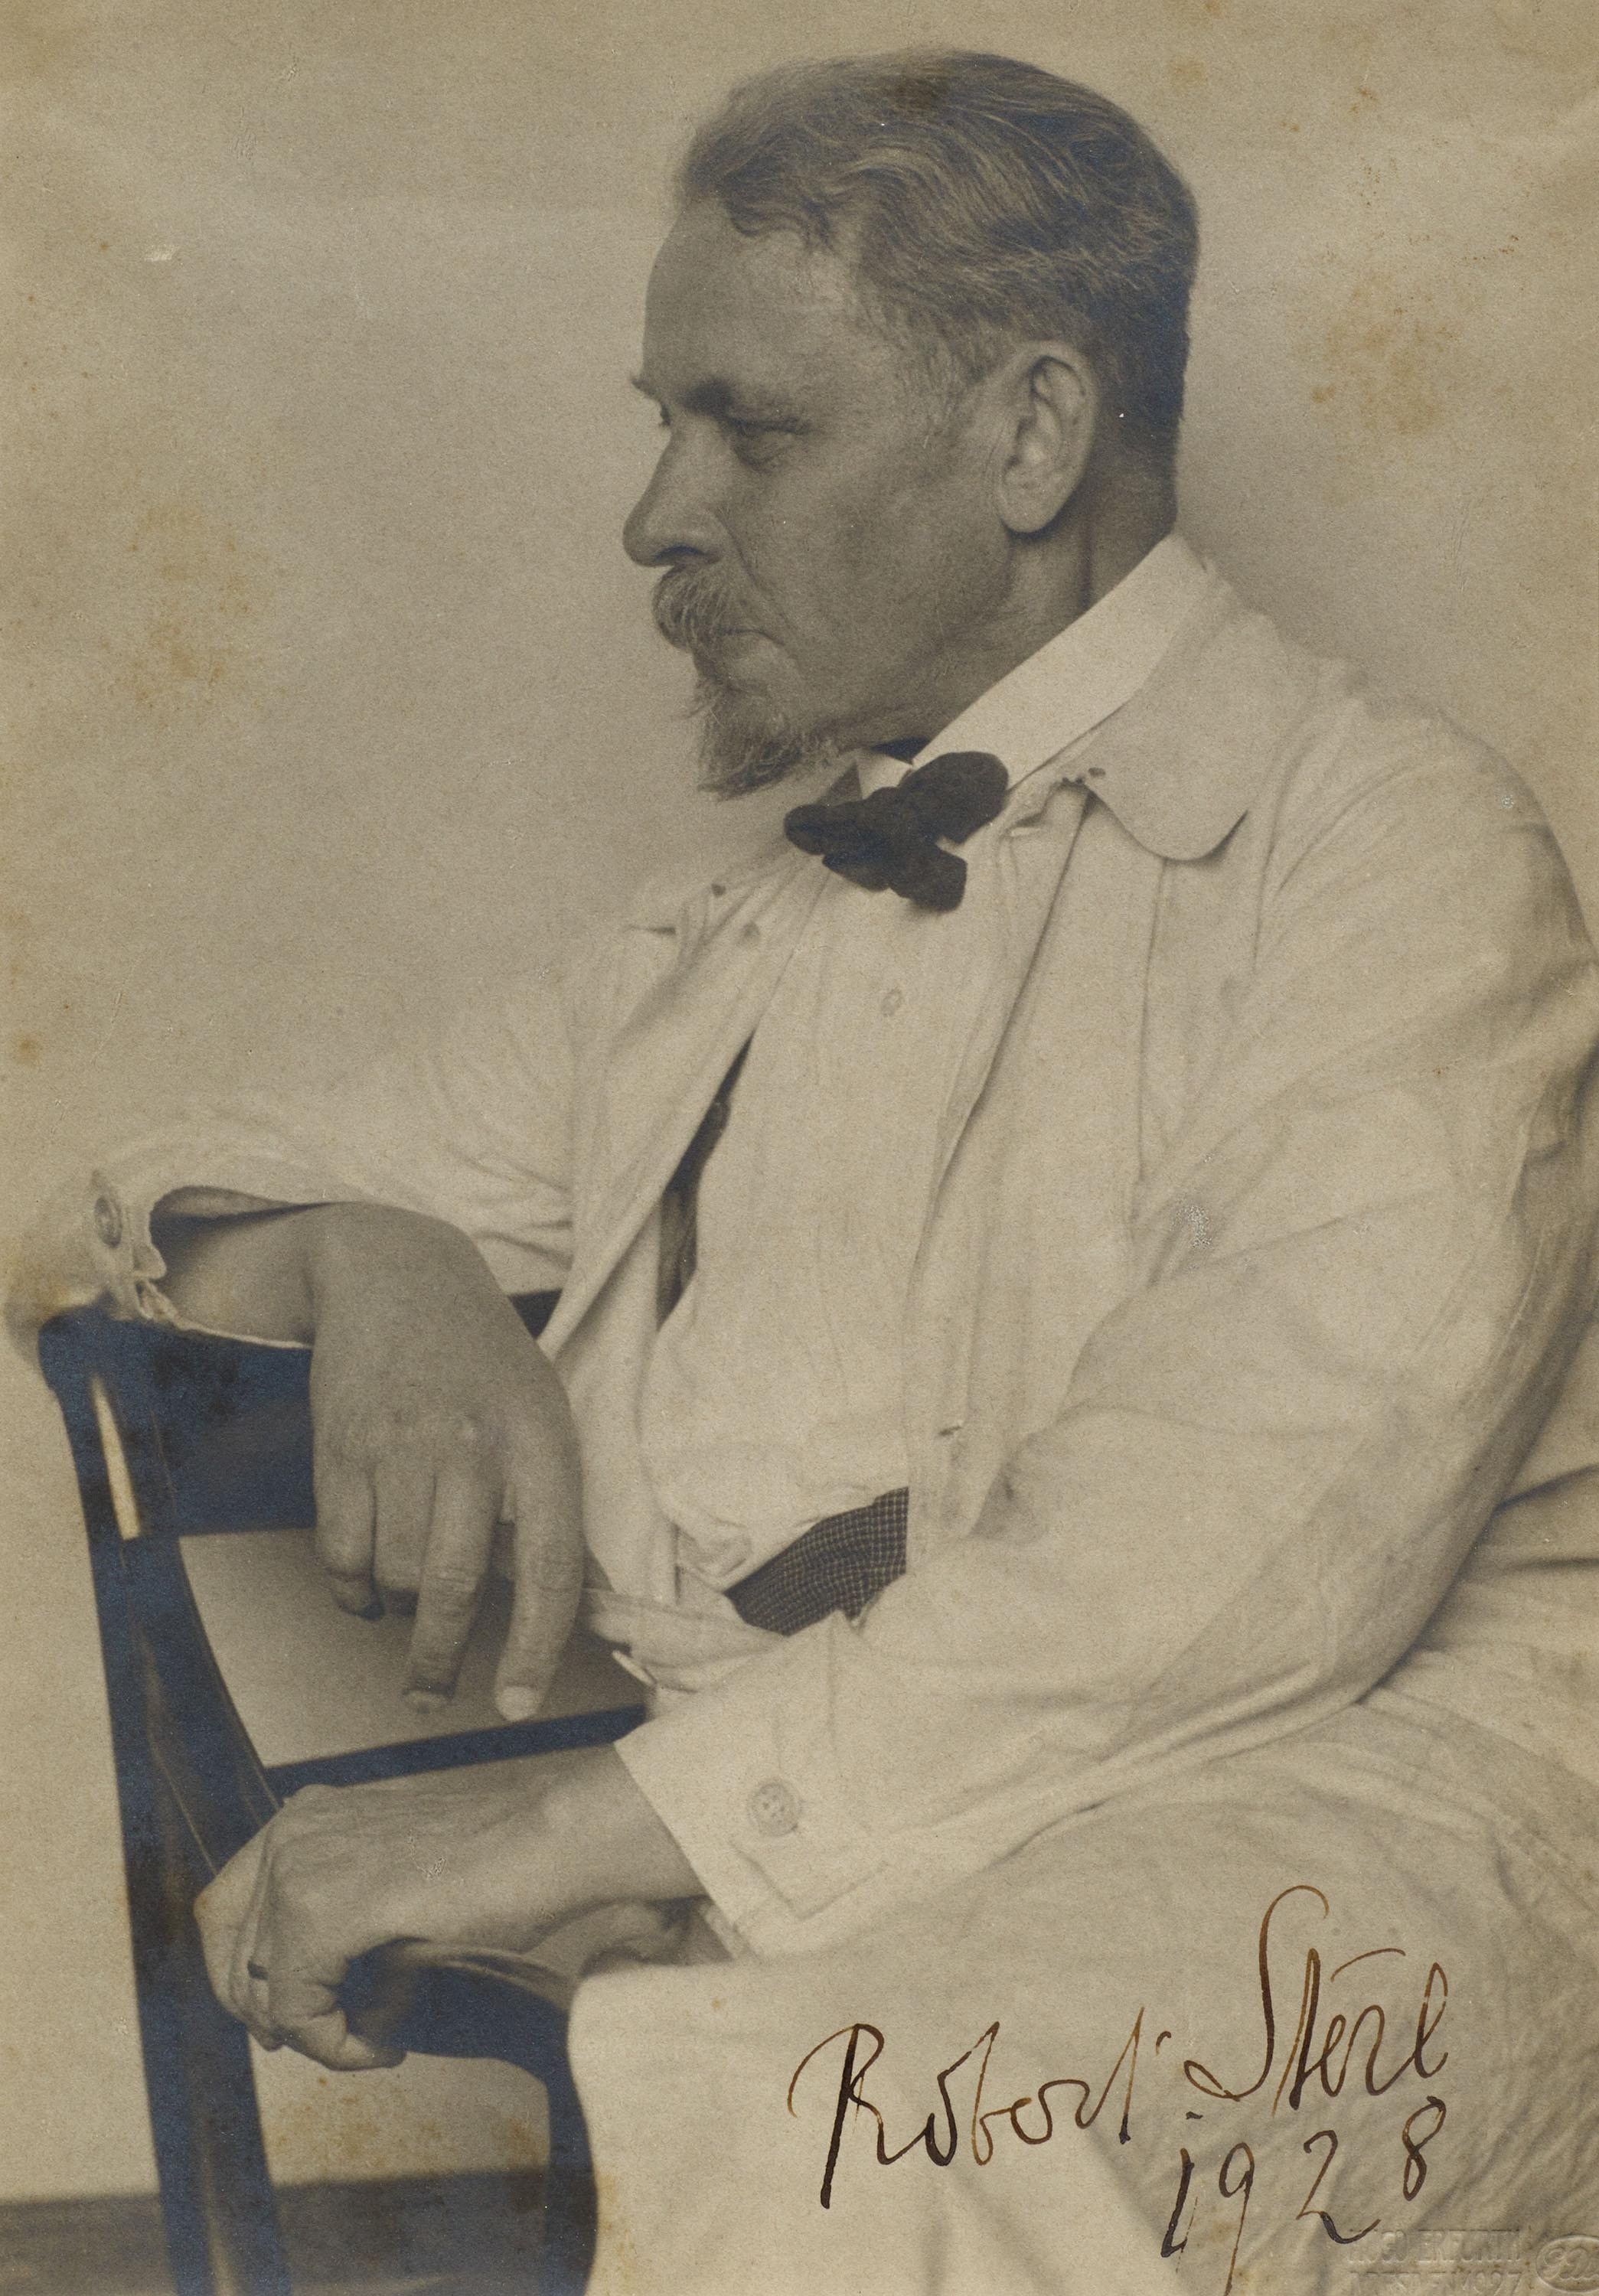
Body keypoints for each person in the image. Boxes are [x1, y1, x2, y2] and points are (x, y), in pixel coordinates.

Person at [15, 49, 1599, 2294]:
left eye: (748, 432)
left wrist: (563, 1830)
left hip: (1364, 1832)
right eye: (662, 424)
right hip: (868, 1843)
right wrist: (379, 1256)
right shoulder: (717, 948)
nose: (654, 519)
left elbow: (1211, 1574)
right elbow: (114, 1194)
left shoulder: (1395, 858)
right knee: (813, 2086)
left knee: (841, 2112)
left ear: (1032, 435)